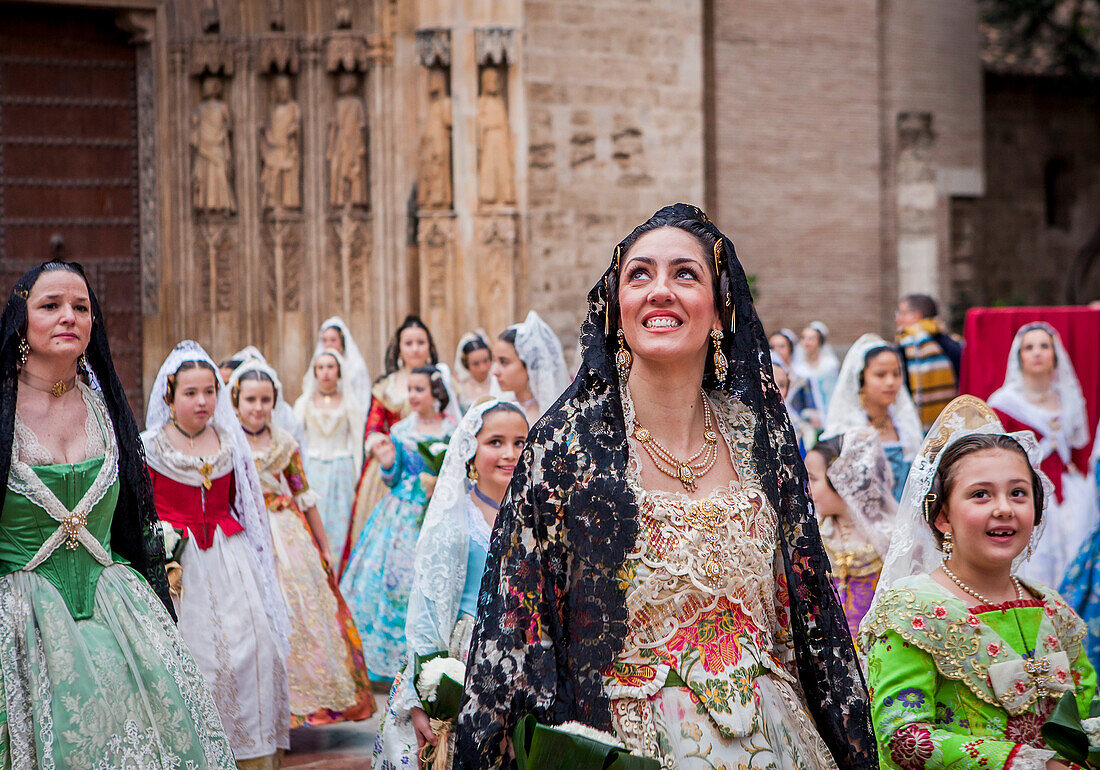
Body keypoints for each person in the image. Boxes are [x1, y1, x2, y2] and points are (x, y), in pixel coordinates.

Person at [455, 204, 875, 770]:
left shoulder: (758, 438)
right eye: (639, 274)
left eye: (685, 274)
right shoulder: (567, 447)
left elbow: (802, 614)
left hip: (775, 738)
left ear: (720, 311)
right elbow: (523, 622)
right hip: (627, 744)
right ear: (616, 308)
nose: (660, 290)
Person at [0, 262, 236, 768]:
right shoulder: (1, 409)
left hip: (116, 608)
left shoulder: (103, 404)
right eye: (51, 306)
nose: (69, 316)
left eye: (81, 307)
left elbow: (131, 517)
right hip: (21, 620)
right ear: (21, 319)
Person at [861, 395, 1095, 770]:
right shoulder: (909, 609)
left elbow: (1089, 708)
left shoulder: (1053, 607)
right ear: (942, 518)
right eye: (980, 494)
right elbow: (902, 738)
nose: (1003, 507)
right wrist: (1025, 763)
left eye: (1018, 493)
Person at [143, 341, 291, 769]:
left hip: (232, 560)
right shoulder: (150, 446)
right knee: (196, 660)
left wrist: (268, 571)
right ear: (170, 395)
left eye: (209, 391)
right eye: (191, 393)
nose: (203, 401)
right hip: (178, 570)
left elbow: (249, 509)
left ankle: (251, 752)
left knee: (255, 649)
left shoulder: (230, 443)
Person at [373, 398, 528, 769]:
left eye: (521, 442)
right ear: (470, 452)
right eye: (496, 442)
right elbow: (426, 610)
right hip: (465, 658)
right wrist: (422, 695)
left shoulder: (533, 513)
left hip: (524, 656)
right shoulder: (455, 520)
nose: (510, 453)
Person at [230, 359, 374, 726]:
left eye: (265, 400)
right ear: (236, 402)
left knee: (301, 610)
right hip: (244, 531)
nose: (258, 407)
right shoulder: (228, 442)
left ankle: (300, 705)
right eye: (250, 400)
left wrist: (323, 545)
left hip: (286, 532)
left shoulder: (285, 443)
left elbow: (304, 496)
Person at [341, 365, 458, 682]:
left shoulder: (454, 429)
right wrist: (387, 461)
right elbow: (392, 479)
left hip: (437, 512)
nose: (413, 396)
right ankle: (393, 660)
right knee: (395, 583)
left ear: (436, 393)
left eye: (419, 389)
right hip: (402, 514)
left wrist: (439, 485)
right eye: (411, 389)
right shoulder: (402, 430)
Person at [344, 316, 458, 568]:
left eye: (421, 342)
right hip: (398, 465)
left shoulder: (443, 384)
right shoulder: (386, 388)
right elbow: (374, 426)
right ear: (399, 348)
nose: (415, 348)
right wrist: (385, 454)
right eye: (409, 343)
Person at [988, 322, 1093, 588]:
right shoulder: (1004, 403)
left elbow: (1079, 448)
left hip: (1070, 494)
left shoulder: (1068, 398)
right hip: (1027, 493)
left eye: (1044, 346)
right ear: (1019, 356)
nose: (1037, 353)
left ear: (1055, 356)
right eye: (1029, 347)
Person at [805, 430, 897, 636]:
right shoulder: (816, 533)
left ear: (842, 480)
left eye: (813, 478)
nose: (807, 488)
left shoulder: (888, 537)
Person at [823, 333, 923, 500]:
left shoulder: (905, 425)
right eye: (880, 375)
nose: (891, 382)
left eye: (896, 374)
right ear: (861, 379)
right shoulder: (848, 428)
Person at [294, 347, 365, 558]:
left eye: (331, 367)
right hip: (312, 470)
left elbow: (357, 442)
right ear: (314, 372)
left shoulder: (350, 404)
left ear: (339, 371)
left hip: (341, 473)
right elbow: (296, 441)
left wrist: (357, 475)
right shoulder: (303, 403)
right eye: (321, 367)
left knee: (340, 525)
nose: (325, 372)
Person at [895, 294, 962, 431]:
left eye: (901, 313)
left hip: (918, 427)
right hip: (953, 424)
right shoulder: (954, 343)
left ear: (916, 316)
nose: (897, 319)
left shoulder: (907, 345)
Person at [492, 309, 570, 425]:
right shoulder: (495, 411)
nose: (495, 371)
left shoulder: (550, 417)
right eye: (496, 361)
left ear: (529, 366)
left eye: (504, 362)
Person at [306, 316, 372, 412]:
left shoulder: (356, 367)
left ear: (342, 341)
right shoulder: (318, 364)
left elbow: (363, 399)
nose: (328, 344)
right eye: (325, 340)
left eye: (333, 340)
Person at [791, 321, 840, 424]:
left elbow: (833, 393)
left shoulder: (829, 365)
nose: (806, 342)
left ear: (819, 342)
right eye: (803, 338)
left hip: (827, 416)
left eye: (811, 339)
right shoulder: (798, 368)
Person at [453, 331, 498, 413]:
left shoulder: (498, 381)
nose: (482, 368)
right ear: (467, 365)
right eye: (476, 364)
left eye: (485, 361)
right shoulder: (460, 388)